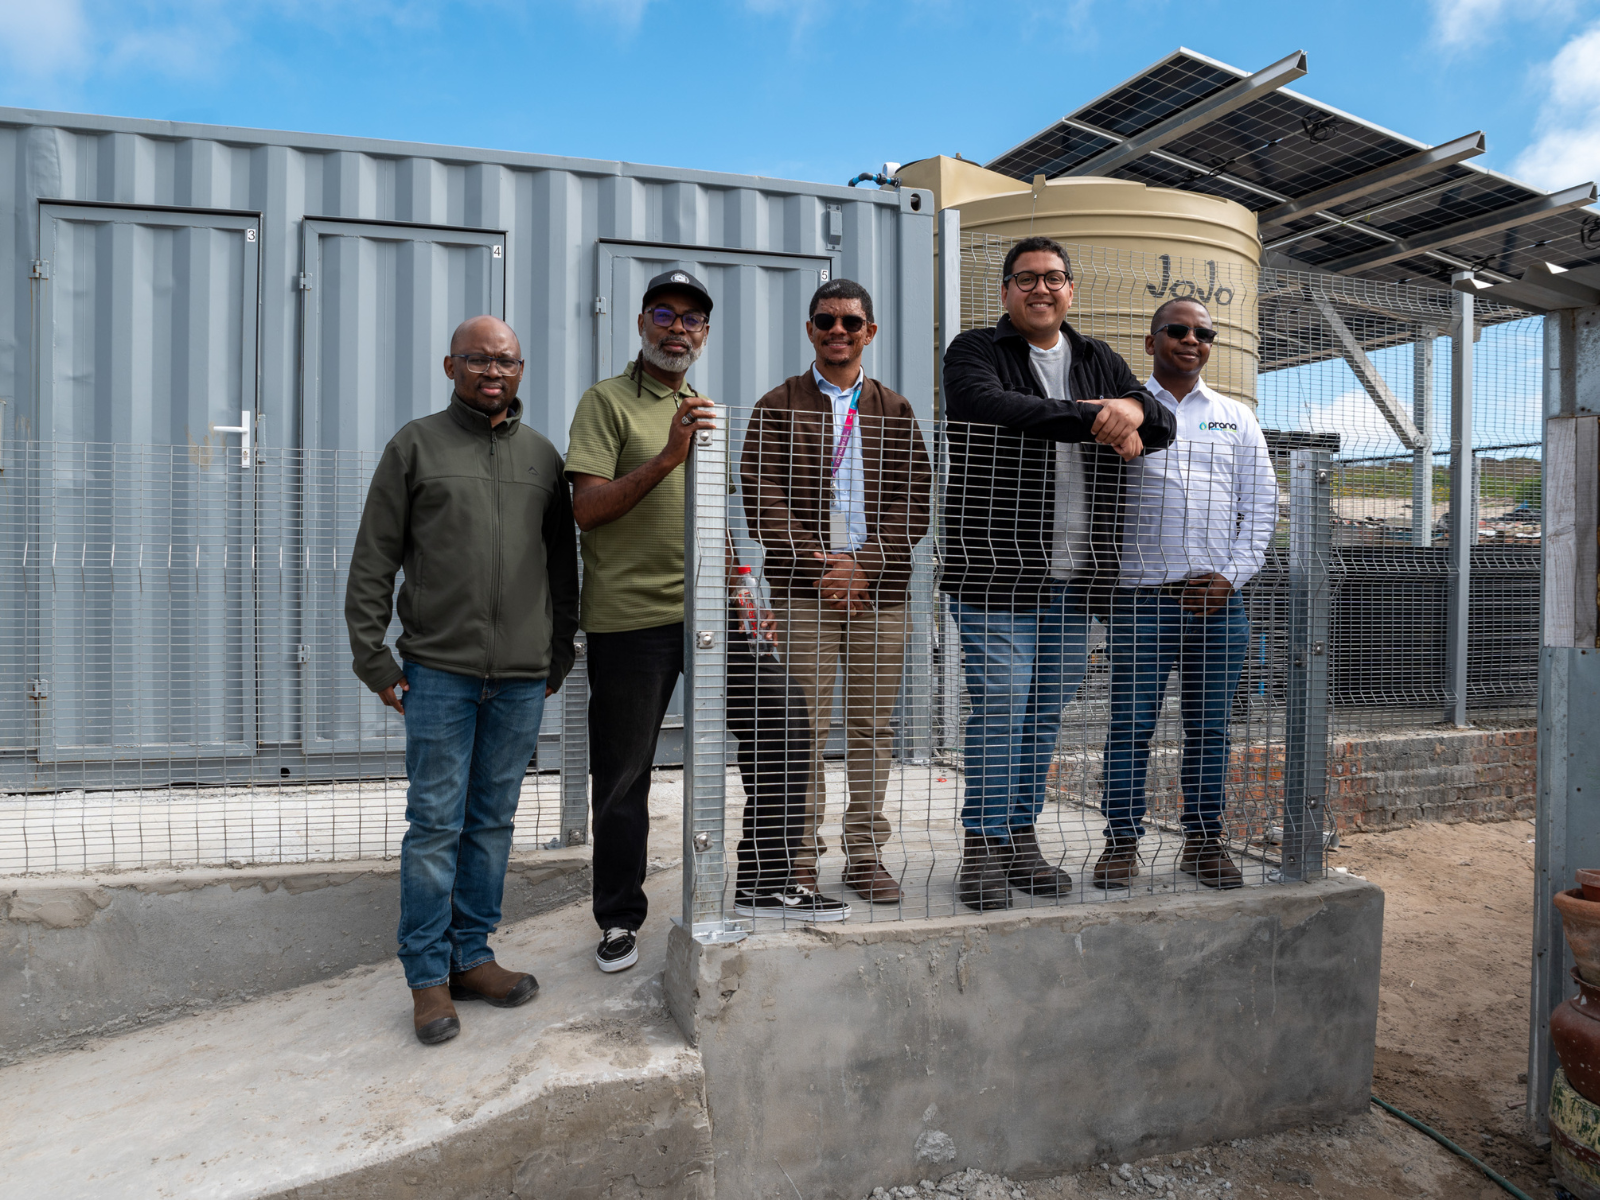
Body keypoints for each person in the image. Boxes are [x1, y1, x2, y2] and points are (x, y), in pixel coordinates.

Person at [566, 270, 846, 975]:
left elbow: (713, 522)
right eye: (665, 313)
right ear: (641, 323)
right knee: (624, 773)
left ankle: (761, 878)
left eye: (692, 319)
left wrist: (745, 596)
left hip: (714, 616)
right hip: (632, 619)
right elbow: (588, 509)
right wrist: (667, 456)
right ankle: (619, 919)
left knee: (785, 722)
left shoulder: (702, 406)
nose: (677, 327)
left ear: (706, 333)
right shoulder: (605, 404)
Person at [345, 315, 579, 1046]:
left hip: (517, 679)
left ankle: (473, 956)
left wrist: (559, 653)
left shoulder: (543, 457)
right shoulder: (415, 446)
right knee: (436, 826)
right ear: (450, 366)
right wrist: (375, 659)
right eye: (477, 359)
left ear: (520, 369)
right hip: (438, 674)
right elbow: (373, 560)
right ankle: (427, 978)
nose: (492, 371)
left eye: (505, 360)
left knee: (491, 824)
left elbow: (563, 567)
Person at [940, 235, 1177, 912]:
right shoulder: (976, 351)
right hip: (996, 573)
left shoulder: (1099, 357)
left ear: (1071, 289)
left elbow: (1159, 424)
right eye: (1026, 279)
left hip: (1076, 580)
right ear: (1006, 292)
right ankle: (982, 847)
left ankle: (1020, 836)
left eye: (1053, 278)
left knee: (1042, 713)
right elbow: (988, 408)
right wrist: (1104, 416)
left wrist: (1133, 409)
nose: (1040, 289)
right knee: (1001, 708)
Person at [741, 279, 933, 904]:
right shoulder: (777, 404)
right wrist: (823, 563)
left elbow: (915, 501)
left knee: (872, 727)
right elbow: (760, 496)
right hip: (804, 591)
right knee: (802, 726)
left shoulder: (894, 408)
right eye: (826, 321)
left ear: (869, 333)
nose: (838, 332)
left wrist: (866, 564)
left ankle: (866, 853)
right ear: (811, 330)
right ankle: (798, 855)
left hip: (881, 594)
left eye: (851, 322)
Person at [1094, 297, 1277, 890]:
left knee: (1210, 727)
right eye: (1177, 330)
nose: (1191, 340)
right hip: (1142, 599)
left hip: (1219, 601)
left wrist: (1232, 576)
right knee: (1130, 726)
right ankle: (1121, 843)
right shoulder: (1125, 413)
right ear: (1152, 342)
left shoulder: (1235, 417)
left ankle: (1203, 841)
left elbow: (1262, 506)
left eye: (1203, 332)